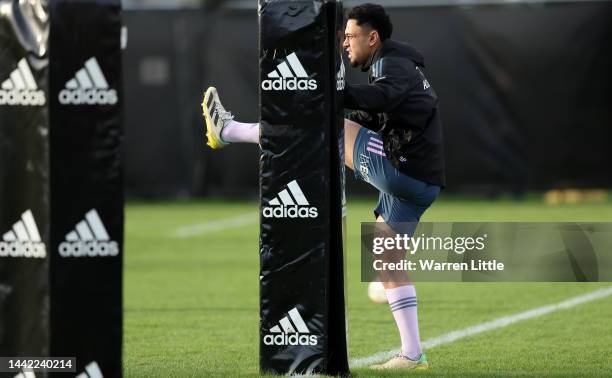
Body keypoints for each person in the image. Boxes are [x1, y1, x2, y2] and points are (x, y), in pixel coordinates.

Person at [202, 3, 445, 370]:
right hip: (422, 181)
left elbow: (382, 98)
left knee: (323, 126)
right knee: (386, 259)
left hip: (403, 170)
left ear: (372, 37)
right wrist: (340, 96)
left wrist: (332, 91)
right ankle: (413, 355)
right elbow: (383, 106)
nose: (345, 44)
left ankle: (230, 131)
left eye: (350, 37)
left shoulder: (391, 63)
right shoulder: (396, 62)